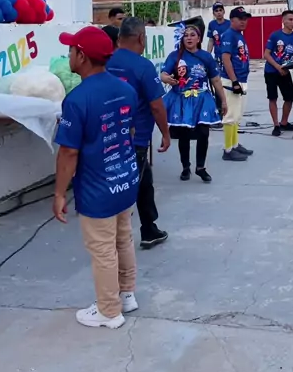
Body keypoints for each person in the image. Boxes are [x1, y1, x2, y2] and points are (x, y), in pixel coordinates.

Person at [53, 26, 140, 330]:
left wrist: (59, 193)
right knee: (123, 238)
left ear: (82, 56)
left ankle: (108, 311)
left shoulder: (77, 99)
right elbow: (129, 131)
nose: (68, 55)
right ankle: (126, 294)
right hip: (125, 178)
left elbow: (68, 152)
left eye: (71, 50)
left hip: (97, 187)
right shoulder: (125, 88)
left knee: (102, 249)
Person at [107, 17, 171, 249]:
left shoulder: (106, 62)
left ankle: (148, 228)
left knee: (142, 181)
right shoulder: (143, 66)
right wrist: (166, 134)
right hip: (135, 139)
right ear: (141, 38)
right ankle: (120, 237)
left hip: (108, 136)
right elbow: (156, 106)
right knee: (131, 186)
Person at [161, 25, 227, 182]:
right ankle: (186, 167)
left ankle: (200, 167)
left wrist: (223, 100)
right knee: (184, 134)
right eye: (186, 35)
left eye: (192, 35)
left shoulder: (206, 57)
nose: (189, 38)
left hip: (202, 99)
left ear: (198, 39)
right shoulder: (175, 56)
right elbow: (163, 74)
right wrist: (166, 78)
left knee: (204, 133)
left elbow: (215, 79)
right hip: (182, 99)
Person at [220, 6, 254, 162]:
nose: (243, 22)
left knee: (237, 115)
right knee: (230, 116)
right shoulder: (229, 35)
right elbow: (226, 59)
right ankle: (228, 150)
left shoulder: (239, 35)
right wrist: (234, 81)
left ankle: (234, 144)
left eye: (245, 19)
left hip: (241, 79)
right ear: (232, 20)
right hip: (231, 81)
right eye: (240, 19)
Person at [207, 1, 230, 124]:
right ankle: (219, 111)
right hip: (217, 59)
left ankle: (229, 110)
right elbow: (211, 41)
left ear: (224, 11)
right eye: (216, 11)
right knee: (218, 85)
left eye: (220, 10)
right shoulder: (212, 25)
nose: (219, 13)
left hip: (229, 58)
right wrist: (207, 56)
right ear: (214, 13)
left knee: (229, 84)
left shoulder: (229, 24)